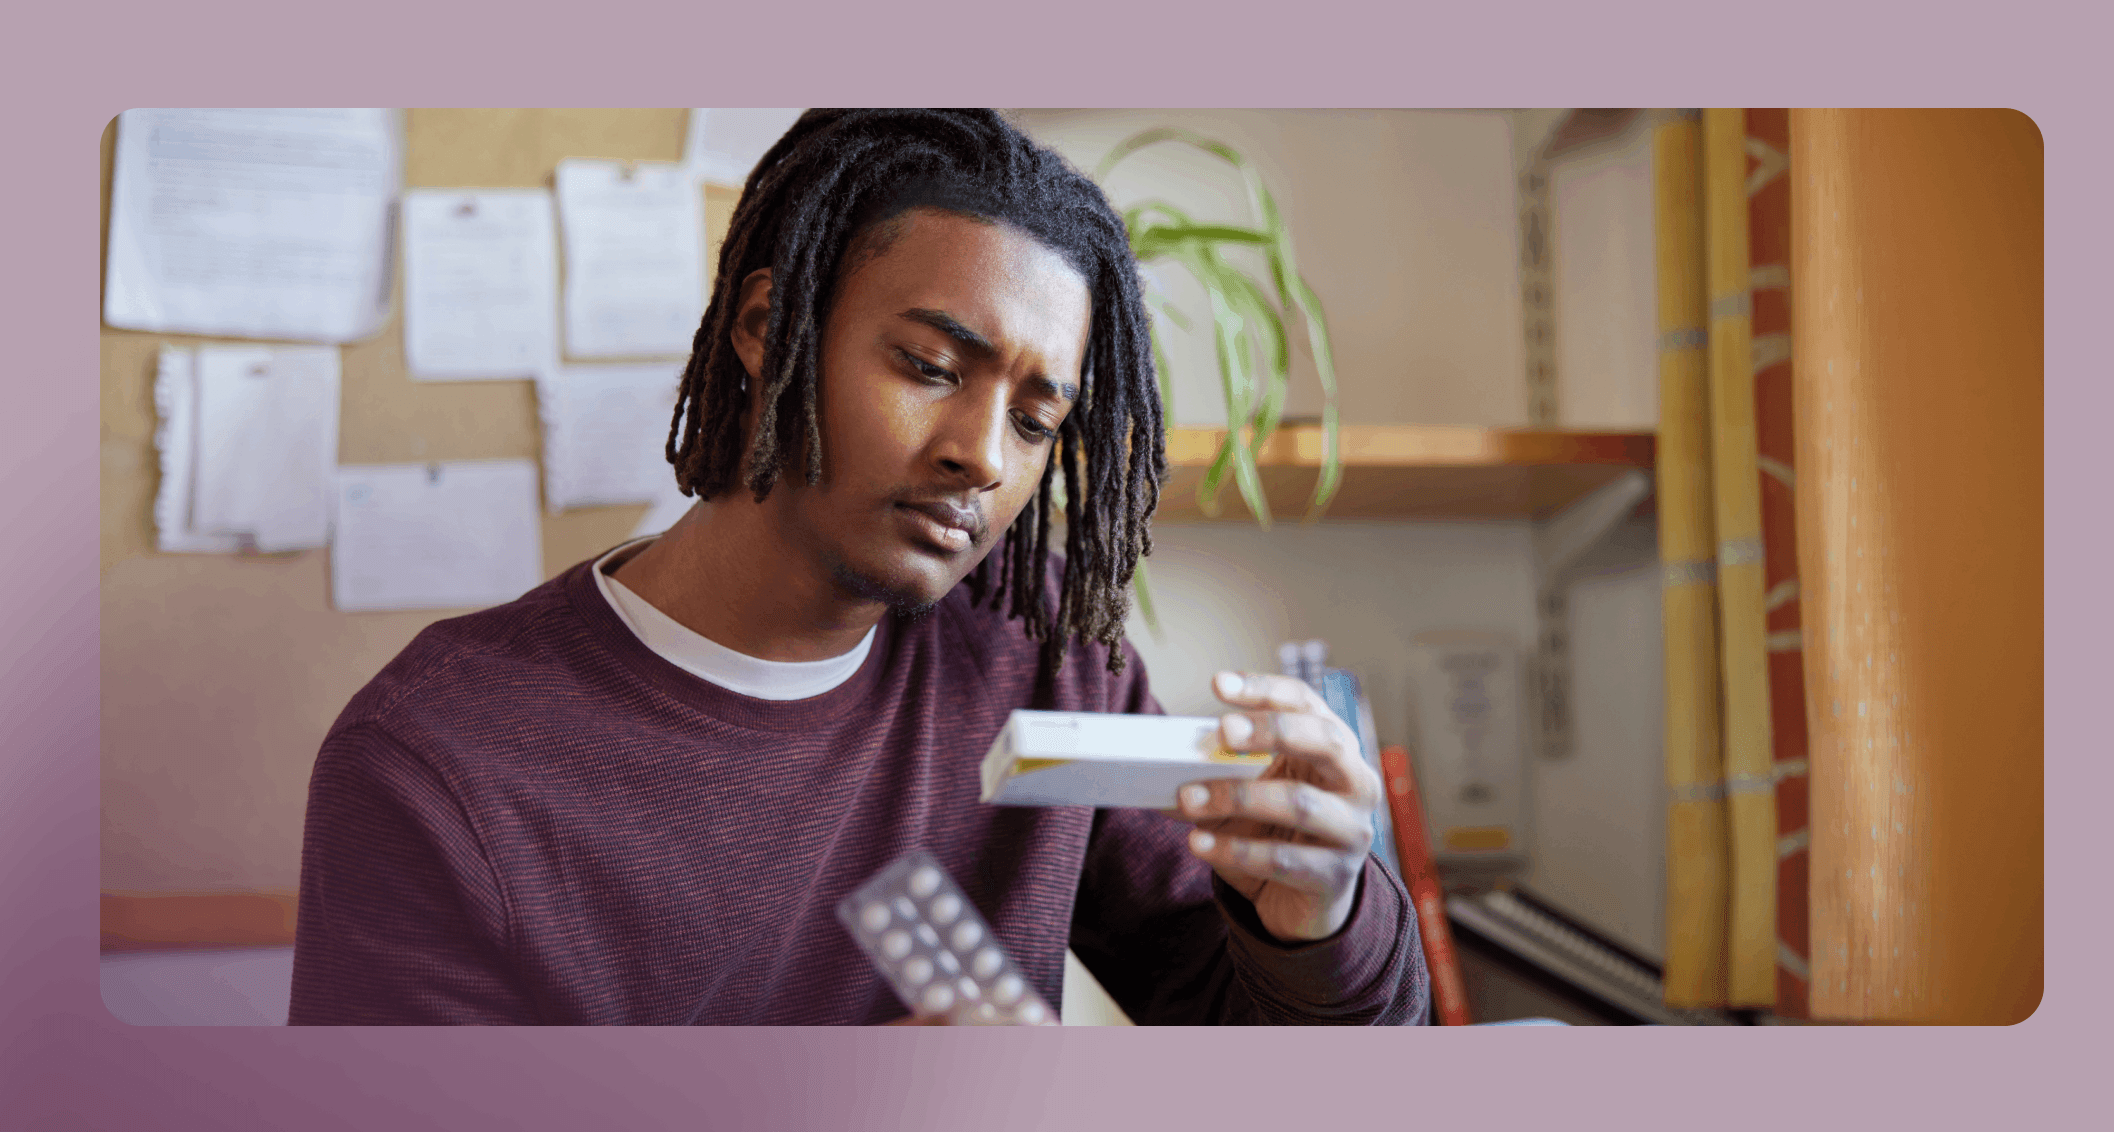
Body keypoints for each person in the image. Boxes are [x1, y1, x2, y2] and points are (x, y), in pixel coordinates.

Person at [288, 109, 1430, 1026]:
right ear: (766, 324)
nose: (980, 456)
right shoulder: (443, 757)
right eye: (931, 364)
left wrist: (1316, 926)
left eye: (1036, 423)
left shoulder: (1038, 656)